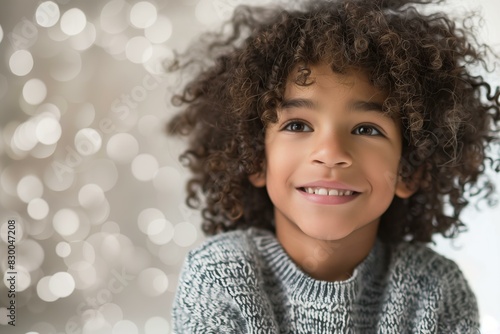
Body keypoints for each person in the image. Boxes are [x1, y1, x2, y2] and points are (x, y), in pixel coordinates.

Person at [167, 0, 499, 332]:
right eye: (298, 126)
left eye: (367, 129)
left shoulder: (435, 290)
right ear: (255, 158)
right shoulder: (219, 275)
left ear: (408, 169)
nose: (330, 153)